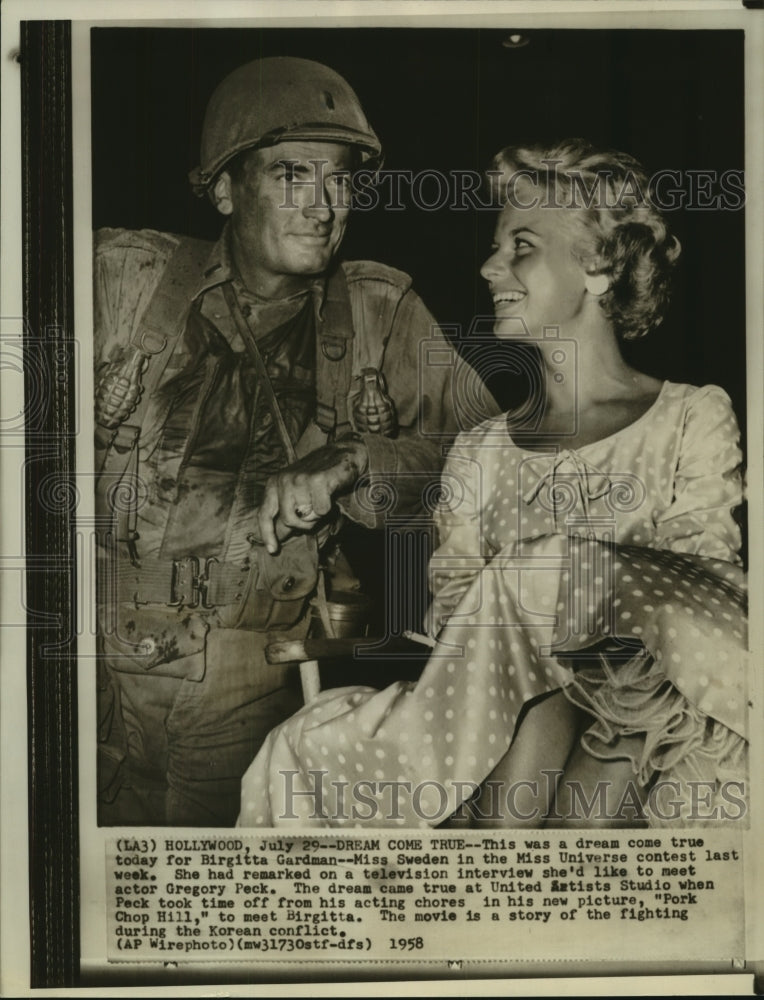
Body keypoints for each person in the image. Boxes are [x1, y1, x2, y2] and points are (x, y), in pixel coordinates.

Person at [238, 138, 747, 829]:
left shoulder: (692, 417)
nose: (489, 267)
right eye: (496, 247)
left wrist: (570, 634)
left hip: (654, 722)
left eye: (521, 247)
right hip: (501, 723)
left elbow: (701, 603)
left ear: (599, 266)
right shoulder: (479, 451)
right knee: (503, 794)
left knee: (581, 799)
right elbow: (459, 627)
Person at [94, 56, 492, 827]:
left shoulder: (381, 312)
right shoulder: (122, 279)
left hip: (245, 690)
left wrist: (356, 462)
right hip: (81, 668)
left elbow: (498, 461)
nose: (322, 207)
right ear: (223, 188)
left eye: (339, 181)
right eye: (290, 175)